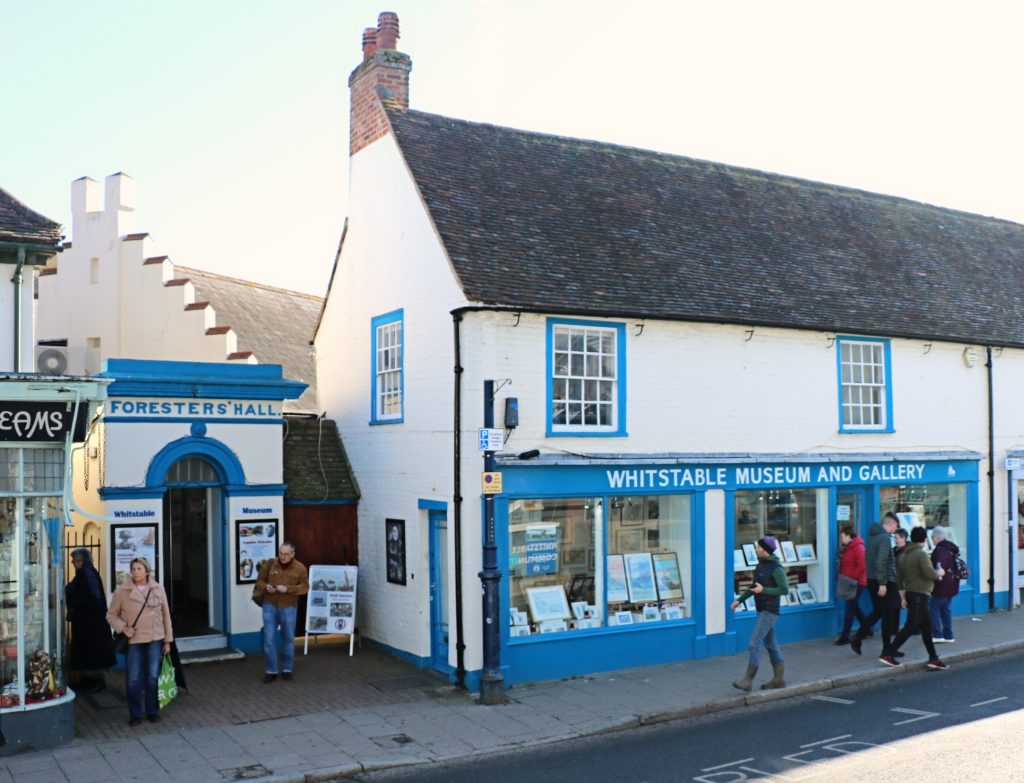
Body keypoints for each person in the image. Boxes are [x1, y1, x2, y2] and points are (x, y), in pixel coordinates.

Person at [106, 557, 173, 726]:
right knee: (133, 678)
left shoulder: (158, 589)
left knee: (152, 676)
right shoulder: (122, 591)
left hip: (155, 638)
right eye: (133, 569)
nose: (136, 572)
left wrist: (167, 641)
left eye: (139, 569)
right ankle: (135, 713)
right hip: (134, 640)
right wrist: (123, 628)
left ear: (147, 571)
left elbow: (166, 615)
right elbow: (111, 615)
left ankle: (152, 711)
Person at [879, 526, 947, 669]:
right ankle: (888, 653)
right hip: (920, 594)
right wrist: (940, 572)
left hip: (911, 593)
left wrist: (903, 598)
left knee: (926, 627)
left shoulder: (904, 555)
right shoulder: (921, 554)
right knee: (911, 626)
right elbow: (930, 574)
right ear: (923, 540)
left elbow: (899, 579)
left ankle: (933, 658)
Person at [730, 536, 789, 692]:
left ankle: (748, 680)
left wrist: (765, 590)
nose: (756, 549)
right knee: (771, 644)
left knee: (753, 643)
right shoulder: (760, 566)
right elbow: (753, 586)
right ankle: (779, 679)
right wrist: (739, 600)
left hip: (770, 611)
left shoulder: (777, 568)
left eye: (758, 547)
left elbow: (784, 589)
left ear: (765, 550)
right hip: (761, 609)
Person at [256, 542, 309, 682]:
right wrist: (266, 587)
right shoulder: (269, 564)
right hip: (270, 606)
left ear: (292, 554)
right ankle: (271, 671)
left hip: (289, 607)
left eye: (286, 554)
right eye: (281, 553)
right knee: (268, 639)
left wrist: (289, 589)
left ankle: (287, 669)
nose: (283, 557)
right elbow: (259, 582)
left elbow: (305, 587)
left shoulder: (300, 568)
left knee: (288, 640)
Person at [65, 548, 116, 693]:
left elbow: (85, 597)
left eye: (77, 561)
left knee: (90, 653)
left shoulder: (85, 574)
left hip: (90, 623)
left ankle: (96, 681)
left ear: (84, 561)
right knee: (87, 652)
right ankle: (88, 680)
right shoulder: (88, 573)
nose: (74, 564)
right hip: (90, 622)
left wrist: (70, 599)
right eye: (74, 561)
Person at [850, 512, 900, 656]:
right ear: (890, 524)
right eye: (895, 526)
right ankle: (887, 650)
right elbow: (881, 561)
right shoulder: (884, 538)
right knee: (887, 615)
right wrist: (883, 584)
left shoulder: (872, 537)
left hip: (871, 580)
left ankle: (858, 637)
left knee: (878, 611)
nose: (895, 530)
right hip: (881, 581)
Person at [836, 526, 868, 645]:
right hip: (851, 581)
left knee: (849, 609)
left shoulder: (858, 547)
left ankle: (845, 636)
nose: (841, 539)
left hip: (857, 583)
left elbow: (862, 566)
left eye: (842, 536)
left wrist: (851, 579)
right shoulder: (848, 547)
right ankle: (866, 628)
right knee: (854, 607)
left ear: (849, 536)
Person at [929, 526, 960, 643]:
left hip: (942, 585)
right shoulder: (951, 548)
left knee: (934, 607)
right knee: (946, 610)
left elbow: (939, 569)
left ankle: (937, 634)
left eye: (932, 537)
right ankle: (949, 635)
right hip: (952, 584)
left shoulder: (939, 550)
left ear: (937, 537)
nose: (932, 539)